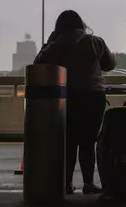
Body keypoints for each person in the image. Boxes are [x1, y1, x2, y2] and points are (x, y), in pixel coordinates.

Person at [34, 10, 116, 195]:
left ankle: (67, 183)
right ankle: (88, 183)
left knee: (69, 140)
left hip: (68, 95)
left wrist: (49, 42)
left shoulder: (57, 44)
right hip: (95, 96)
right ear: (81, 24)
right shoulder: (95, 42)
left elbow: (38, 62)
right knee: (88, 140)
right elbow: (110, 64)